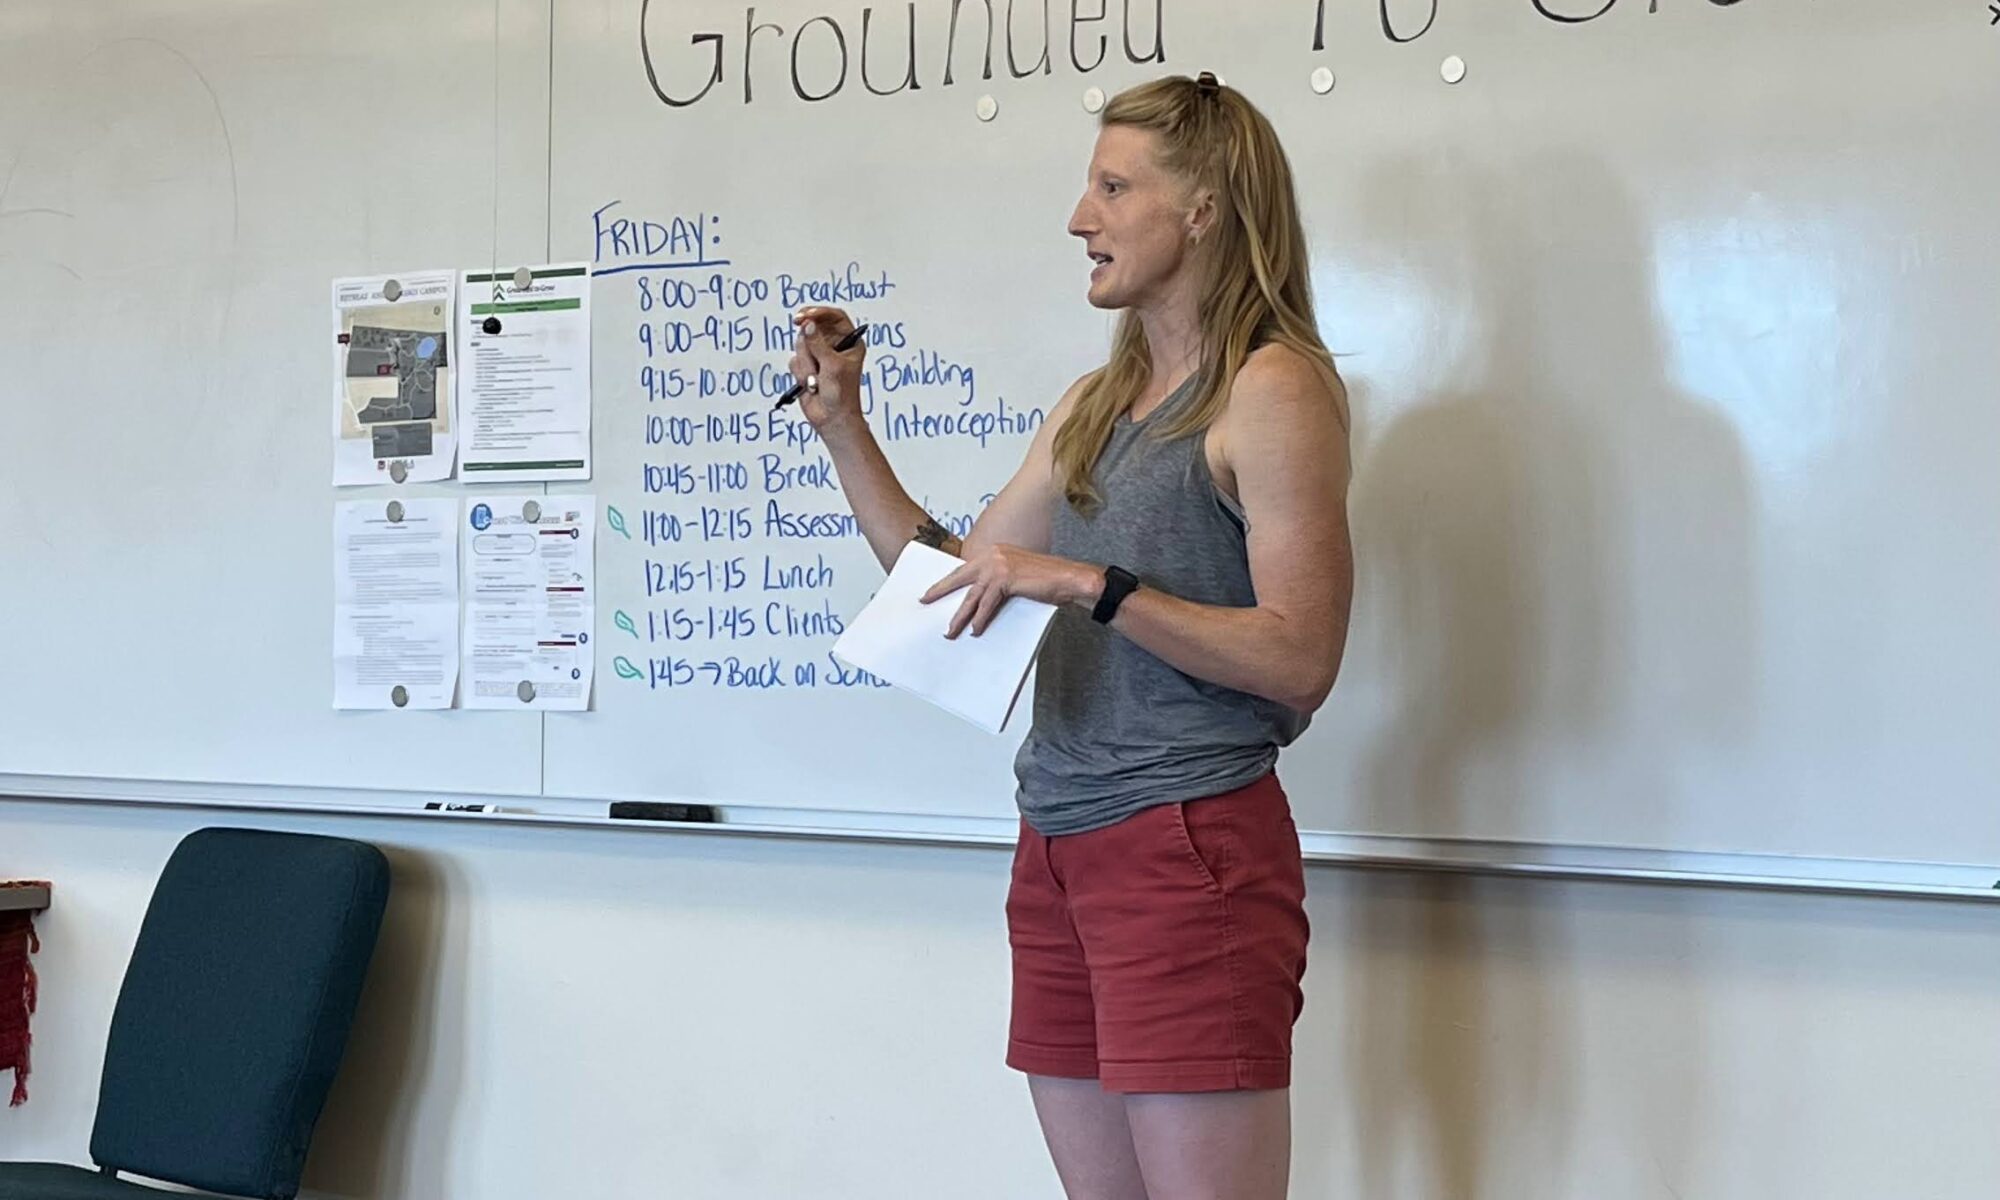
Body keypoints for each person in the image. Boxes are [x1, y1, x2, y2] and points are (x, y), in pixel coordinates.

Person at [788, 71, 1353, 1200]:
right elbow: (951, 589)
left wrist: (1091, 582)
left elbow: (1299, 658)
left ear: (1201, 209)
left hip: (1189, 845)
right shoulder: (1093, 403)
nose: (1077, 218)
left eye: (1110, 186)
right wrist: (844, 426)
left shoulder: (1272, 389)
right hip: (1056, 843)